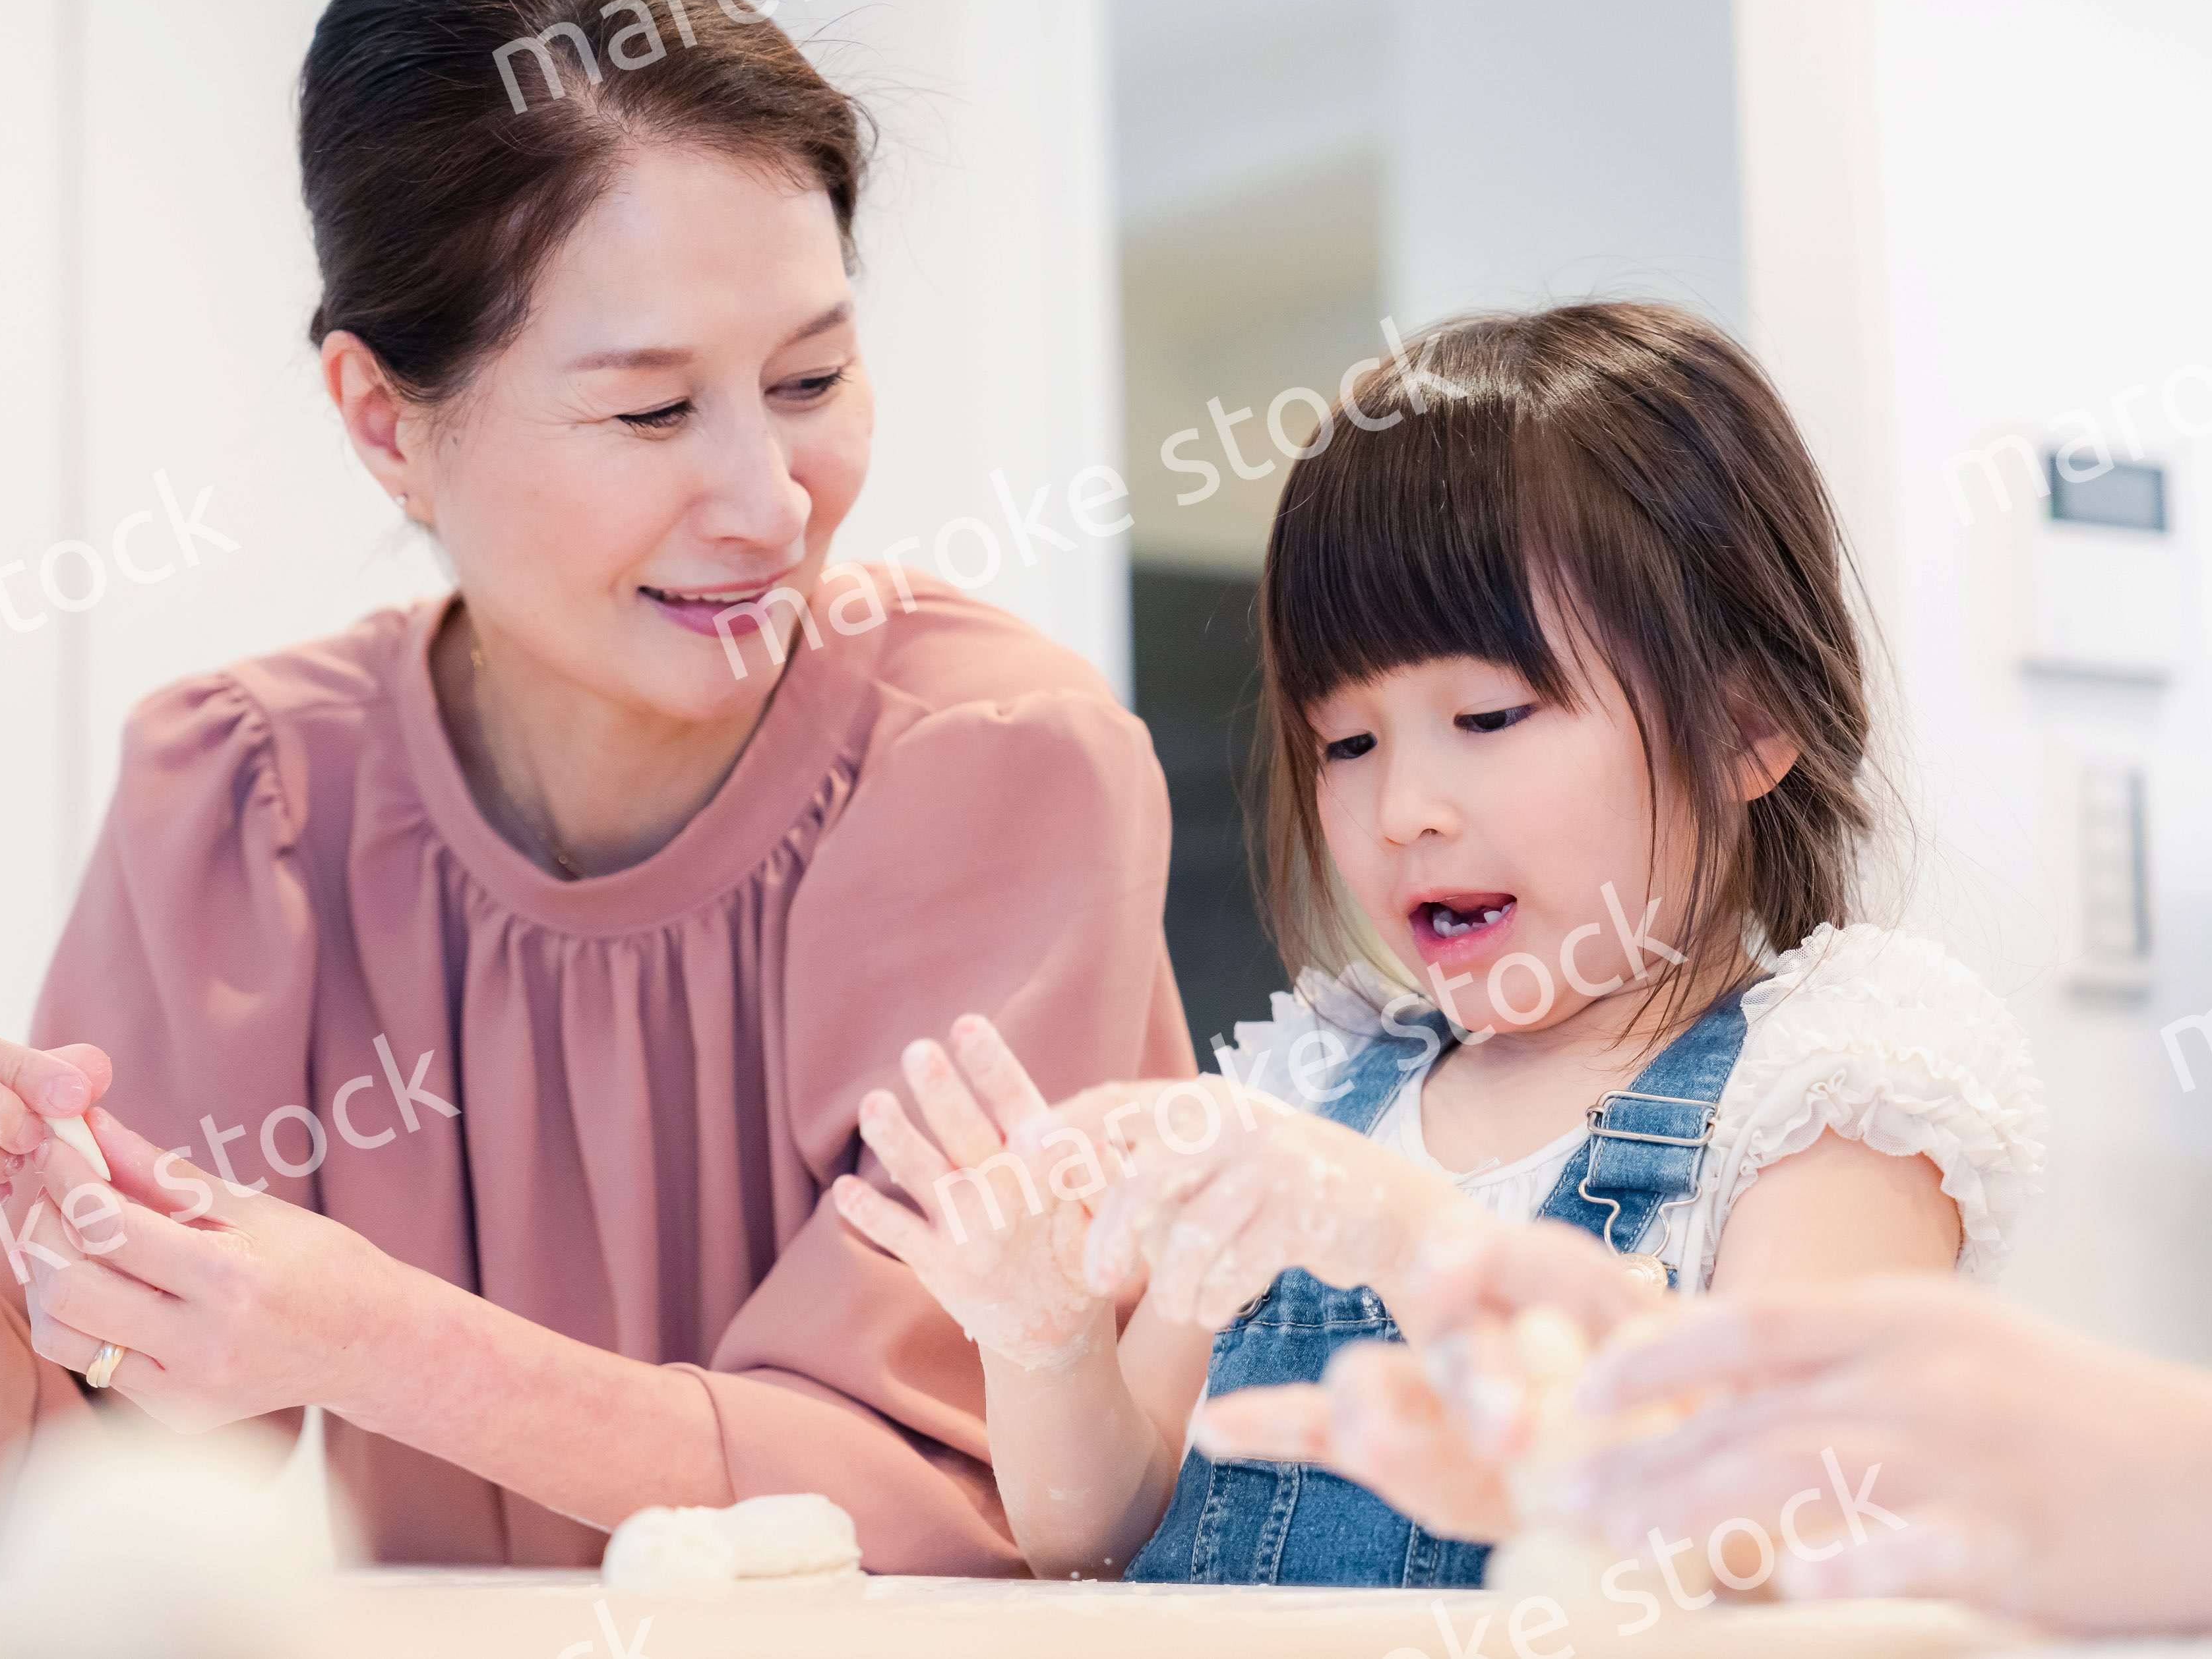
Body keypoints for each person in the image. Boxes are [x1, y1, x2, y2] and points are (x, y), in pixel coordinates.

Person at [0, 0, 1193, 1579]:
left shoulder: (991, 769)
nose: (768, 500)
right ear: (386, 419)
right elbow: (90, 1517)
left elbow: (964, 1515)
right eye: (653, 412)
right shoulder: (244, 804)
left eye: (811, 375)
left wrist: (386, 1343)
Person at [832, 301, 2046, 1583]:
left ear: (1745, 725)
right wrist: (1046, 1342)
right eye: (1343, 742)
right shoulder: (1319, 1087)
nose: (1400, 806)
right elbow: (1112, 1529)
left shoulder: (1824, 1088)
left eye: (1485, 713)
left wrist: (1421, 1244)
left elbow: (1770, 1525)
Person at [1220, 1222, 2212, 1639]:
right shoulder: (1316, 1053)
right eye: (1344, 762)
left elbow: (1800, 1547)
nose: (1409, 816)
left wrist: (2155, 1479)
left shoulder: (1840, 1065)